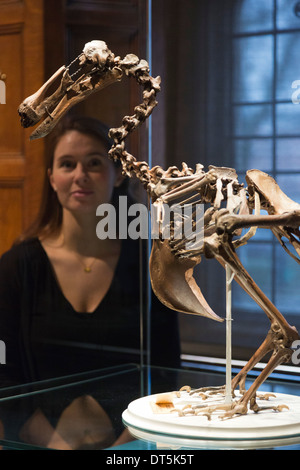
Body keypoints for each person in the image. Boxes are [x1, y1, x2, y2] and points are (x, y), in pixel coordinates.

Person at [0, 115, 181, 449]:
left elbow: (166, 369)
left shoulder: (150, 264)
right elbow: (5, 376)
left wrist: (124, 450)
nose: (80, 176)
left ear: (117, 175)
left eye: (94, 163)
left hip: (132, 448)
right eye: (67, 164)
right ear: (52, 178)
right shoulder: (16, 267)